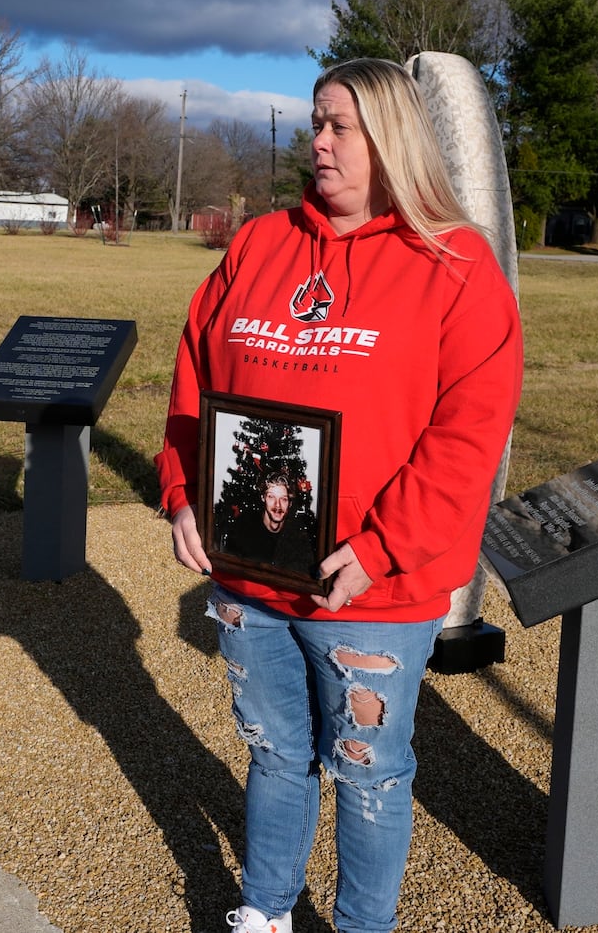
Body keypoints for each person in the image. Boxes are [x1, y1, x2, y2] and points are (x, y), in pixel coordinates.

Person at [156, 57, 522, 933]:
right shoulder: (260, 244)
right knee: (275, 753)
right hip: (251, 576)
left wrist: (384, 546)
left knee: (367, 766)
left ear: (390, 137)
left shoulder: (456, 264)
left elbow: (470, 433)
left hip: (372, 592)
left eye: (339, 126)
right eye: (315, 123)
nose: (317, 142)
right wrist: (181, 492)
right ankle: (266, 908)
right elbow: (195, 375)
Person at [220, 473, 316, 574]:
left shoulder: (298, 538)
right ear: (263, 498)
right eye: (271, 497)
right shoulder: (243, 532)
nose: (277, 505)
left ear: (290, 503)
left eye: (283, 499)